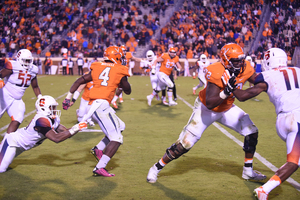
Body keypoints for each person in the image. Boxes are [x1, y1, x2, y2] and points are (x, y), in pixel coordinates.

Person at [146, 43, 266, 183]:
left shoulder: (245, 66)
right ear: (226, 60)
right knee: (185, 144)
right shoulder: (216, 71)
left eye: (241, 59)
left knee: (251, 131)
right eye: (235, 61)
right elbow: (210, 102)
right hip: (206, 109)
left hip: (226, 108)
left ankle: (248, 171)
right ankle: (155, 168)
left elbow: (257, 81)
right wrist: (226, 91)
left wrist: (269, 82)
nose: (240, 63)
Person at [232, 48, 300, 200]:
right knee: (294, 162)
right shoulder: (297, 70)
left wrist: (232, 86)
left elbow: (243, 95)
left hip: (282, 121)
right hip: (298, 119)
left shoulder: (267, 76)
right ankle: (265, 190)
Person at [62, 46, 131, 177]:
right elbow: (128, 90)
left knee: (121, 126)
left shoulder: (97, 66)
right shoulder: (120, 69)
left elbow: (79, 81)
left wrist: (68, 97)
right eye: (120, 57)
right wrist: (123, 80)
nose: (122, 59)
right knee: (117, 138)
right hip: (101, 106)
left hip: (94, 104)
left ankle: (98, 148)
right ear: (116, 57)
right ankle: (100, 167)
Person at [0, 95, 87, 173]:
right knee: (1, 169)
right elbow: (56, 138)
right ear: (44, 108)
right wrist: (76, 128)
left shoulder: (53, 119)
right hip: (13, 143)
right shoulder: (41, 120)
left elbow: (65, 133)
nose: (54, 110)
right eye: (52, 107)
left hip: (22, 146)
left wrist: (78, 127)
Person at [0, 49, 42, 134]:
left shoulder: (33, 69)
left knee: (18, 118)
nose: (27, 63)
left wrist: (40, 97)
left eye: (29, 61)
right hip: (4, 95)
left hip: (17, 99)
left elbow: (35, 86)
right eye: (25, 60)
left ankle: (7, 140)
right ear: (19, 59)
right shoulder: (13, 65)